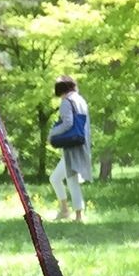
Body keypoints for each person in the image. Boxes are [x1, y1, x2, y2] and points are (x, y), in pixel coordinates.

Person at [47, 77, 92, 222]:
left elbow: (67, 124)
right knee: (56, 178)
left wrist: (52, 133)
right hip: (81, 144)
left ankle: (76, 214)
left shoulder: (67, 102)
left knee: (71, 179)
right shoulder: (81, 100)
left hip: (72, 145)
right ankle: (66, 210)